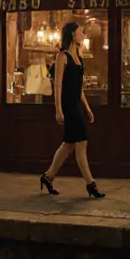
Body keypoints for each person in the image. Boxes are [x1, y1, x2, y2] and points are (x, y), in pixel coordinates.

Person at [39, 22, 104, 198]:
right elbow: (58, 85)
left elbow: (79, 88)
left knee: (68, 145)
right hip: (68, 105)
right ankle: (91, 184)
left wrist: (88, 108)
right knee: (81, 143)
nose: (83, 34)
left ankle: (48, 176)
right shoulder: (63, 56)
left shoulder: (79, 58)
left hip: (76, 104)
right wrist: (58, 109)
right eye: (80, 32)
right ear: (72, 34)